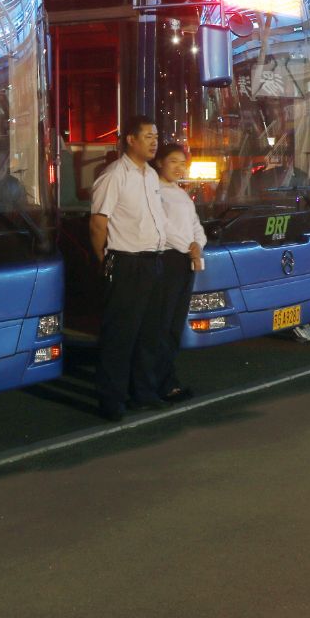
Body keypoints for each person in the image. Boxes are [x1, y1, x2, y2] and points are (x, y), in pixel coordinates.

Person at [89, 116, 169, 420]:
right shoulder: (114, 175)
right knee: (120, 336)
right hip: (126, 262)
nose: (154, 142)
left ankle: (143, 393)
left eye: (156, 137)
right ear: (130, 140)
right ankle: (111, 400)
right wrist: (104, 260)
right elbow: (98, 224)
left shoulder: (151, 175)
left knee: (149, 333)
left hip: (153, 261)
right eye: (148, 136)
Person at [152, 144, 204, 403]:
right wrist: (189, 247)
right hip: (168, 260)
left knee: (174, 325)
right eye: (173, 161)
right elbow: (162, 228)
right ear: (159, 162)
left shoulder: (181, 194)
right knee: (161, 325)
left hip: (185, 261)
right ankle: (160, 383)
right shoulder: (154, 191)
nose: (179, 167)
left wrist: (197, 245)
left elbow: (196, 226)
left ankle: (168, 379)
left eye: (183, 163)